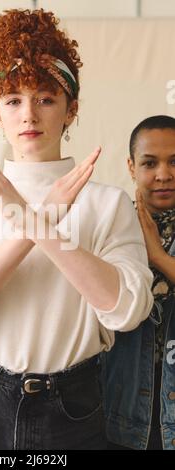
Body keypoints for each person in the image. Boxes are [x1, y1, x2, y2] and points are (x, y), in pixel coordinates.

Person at [0, 9, 153, 450]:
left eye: (45, 98)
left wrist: (39, 225)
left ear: (71, 109)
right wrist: (31, 227)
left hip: (74, 407)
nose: (29, 114)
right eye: (13, 100)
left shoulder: (108, 204)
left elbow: (124, 310)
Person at [102, 115, 175, 450]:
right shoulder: (110, 227)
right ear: (131, 167)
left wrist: (158, 257)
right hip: (120, 413)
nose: (163, 175)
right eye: (150, 163)